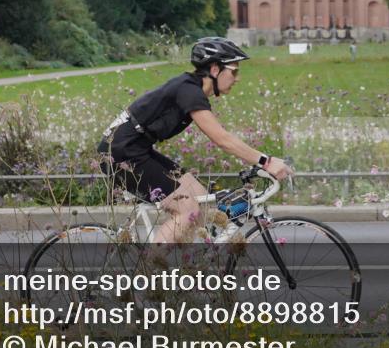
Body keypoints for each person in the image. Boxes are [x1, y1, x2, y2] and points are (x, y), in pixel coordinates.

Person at [97, 37, 294, 243]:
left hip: (136, 149)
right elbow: (222, 139)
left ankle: (188, 265)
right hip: (121, 154)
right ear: (215, 69)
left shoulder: (191, 88)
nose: (237, 78)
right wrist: (267, 162)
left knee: (200, 197)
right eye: (234, 71)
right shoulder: (189, 91)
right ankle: (152, 269)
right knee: (187, 209)